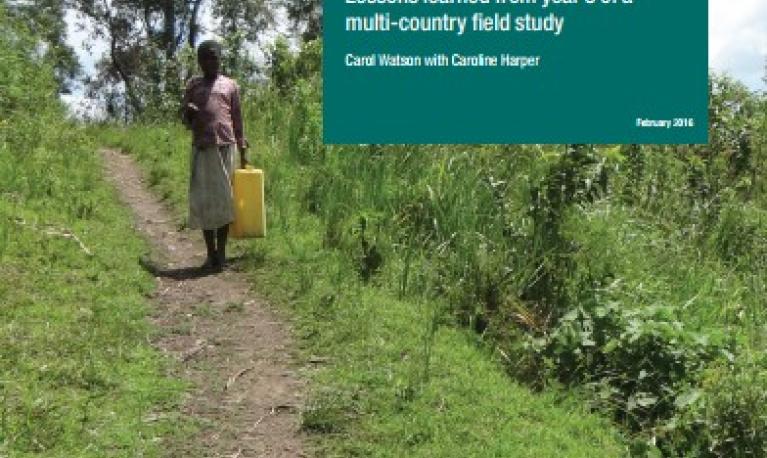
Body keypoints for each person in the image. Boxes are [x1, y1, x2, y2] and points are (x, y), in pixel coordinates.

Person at [181, 40, 248, 271]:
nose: (212, 61)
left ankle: (222, 253)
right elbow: (185, 121)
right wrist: (188, 113)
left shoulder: (230, 85)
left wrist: (243, 150)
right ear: (200, 61)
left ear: (221, 59)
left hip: (225, 146)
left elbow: (238, 119)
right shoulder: (193, 85)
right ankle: (210, 254)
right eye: (207, 57)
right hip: (202, 148)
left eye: (216, 57)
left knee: (225, 201)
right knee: (205, 202)